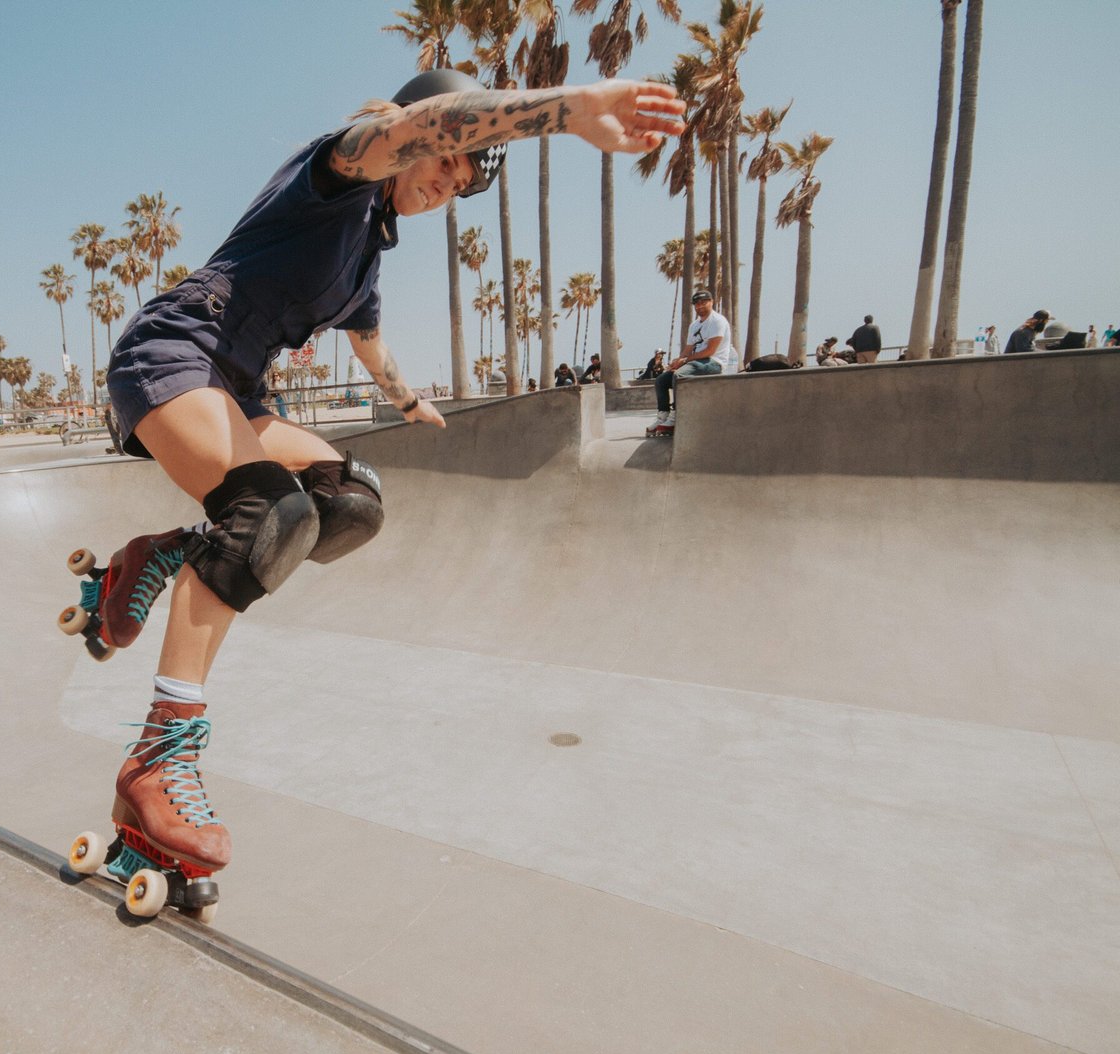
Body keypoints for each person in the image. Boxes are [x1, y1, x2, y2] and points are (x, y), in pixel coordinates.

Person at [82, 67, 685, 889]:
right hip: (173, 356)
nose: (444, 184)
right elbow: (427, 125)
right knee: (268, 513)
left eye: (460, 182)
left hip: (237, 393)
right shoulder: (339, 170)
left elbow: (367, 340)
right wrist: (570, 111)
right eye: (443, 164)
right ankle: (157, 756)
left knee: (351, 499)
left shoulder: (368, 251)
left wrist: (406, 399)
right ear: (410, 135)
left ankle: (161, 557)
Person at [648, 289, 727, 434]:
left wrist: (685, 361)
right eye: (697, 304)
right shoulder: (694, 325)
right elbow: (688, 349)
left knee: (679, 375)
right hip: (695, 363)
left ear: (712, 302)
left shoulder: (718, 321)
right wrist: (677, 362)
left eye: (704, 302)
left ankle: (677, 415)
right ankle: (663, 416)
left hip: (714, 363)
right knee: (661, 380)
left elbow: (710, 351)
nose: (700, 306)